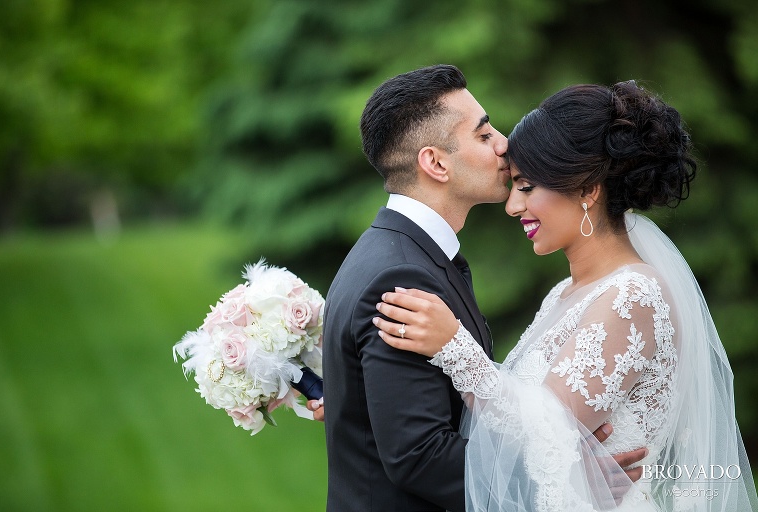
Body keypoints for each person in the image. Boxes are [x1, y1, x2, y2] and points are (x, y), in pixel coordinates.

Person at [374, 81, 758, 511]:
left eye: (526, 186)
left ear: (586, 189)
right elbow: (525, 415)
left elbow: (546, 427)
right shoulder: (567, 292)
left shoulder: (633, 296)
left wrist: (455, 347)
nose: (512, 207)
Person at [318, 65, 646, 512]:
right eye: (483, 133)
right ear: (435, 163)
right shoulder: (399, 275)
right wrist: (565, 481)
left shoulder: (394, 253)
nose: (503, 144)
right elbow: (420, 455)